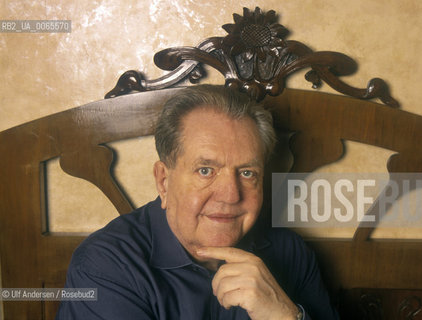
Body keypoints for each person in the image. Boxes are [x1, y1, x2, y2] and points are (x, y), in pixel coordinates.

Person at [56, 85, 338, 319]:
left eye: (247, 172)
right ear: (164, 181)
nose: (230, 195)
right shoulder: (105, 266)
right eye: (206, 170)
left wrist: (286, 317)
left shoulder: (291, 252)